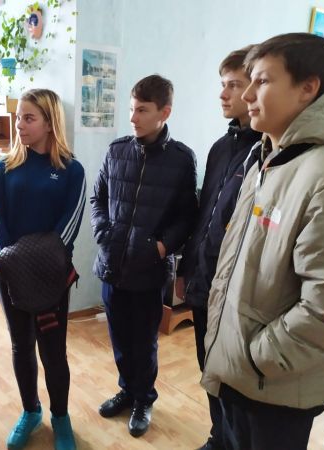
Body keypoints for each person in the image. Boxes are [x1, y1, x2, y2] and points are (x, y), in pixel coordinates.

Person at [201, 33, 324, 450]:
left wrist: (257, 356)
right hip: (240, 374)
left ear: (307, 87)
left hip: (273, 389)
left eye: (262, 81)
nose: (247, 95)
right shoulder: (269, 159)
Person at [91, 74, 198, 437]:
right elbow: (98, 198)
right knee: (119, 337)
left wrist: (161, 247)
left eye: (142, 110)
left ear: (164, 112)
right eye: (131, 109)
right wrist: (102, 234)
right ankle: (127, 390)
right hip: (112, 264)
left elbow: (187, 216)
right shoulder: (117, 150)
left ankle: (143, 399)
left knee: (144, 341)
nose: (133, 118)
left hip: (149, 270)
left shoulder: (181, 160)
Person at [0, 88, 86, 450]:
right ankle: (31, 411)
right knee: (21, 346)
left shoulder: (71, 170)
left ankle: (60, 417)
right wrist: (12, 265)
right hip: (10, 276)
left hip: (51, 277)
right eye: (18, 117)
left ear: (49, 122)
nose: (19, 125)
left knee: (53, 351)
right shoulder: (4, 168)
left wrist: (39, 264)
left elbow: (69, 227)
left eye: (28, 118)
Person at [175, 45, 262, 450]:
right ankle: (218, 437)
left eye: (234, 85)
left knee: (232, 378)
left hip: (234, 289)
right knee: (208, 366)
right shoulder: (220, 148)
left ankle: (230, 440)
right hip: (203, 279)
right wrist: (185, 269)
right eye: (222, 85)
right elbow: (203, 216)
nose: (224, 94)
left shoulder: (265, 153)